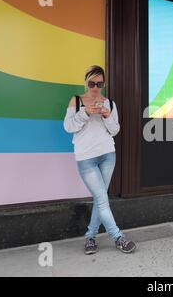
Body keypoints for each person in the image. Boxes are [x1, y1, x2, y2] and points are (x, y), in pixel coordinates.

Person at [63, 65, 136, 255]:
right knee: (103, 199)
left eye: (99, 83)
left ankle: (90, 238)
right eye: (91, 83)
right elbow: (68, 127)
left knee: (100, 198)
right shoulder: (77, 101)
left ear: (103, 84)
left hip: (107, 155)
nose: (95, 87)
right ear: (85, 82)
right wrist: (86, 113)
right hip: (86, 157)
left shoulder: (110, 103)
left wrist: (107, 115)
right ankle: (118, 237)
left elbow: (115, 130)